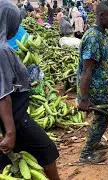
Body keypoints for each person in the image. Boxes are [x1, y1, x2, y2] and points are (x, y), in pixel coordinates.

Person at [0, 1, 60, 179]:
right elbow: (3, 94)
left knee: (8, 159)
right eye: (15, 22)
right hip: (16, 117)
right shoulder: (2, 51)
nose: (17, 27)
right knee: (48, 150)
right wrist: (11, 132)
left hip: (11, 116)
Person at [77, 0, 108, 164]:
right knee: (102, 118)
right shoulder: (94, 38)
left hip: (102, 87)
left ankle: (95, 142)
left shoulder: (101, 33)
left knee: (101, 118)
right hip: (96, 89)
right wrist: (84, 98)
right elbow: (87, 70)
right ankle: (86, 154)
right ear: (101, 16)